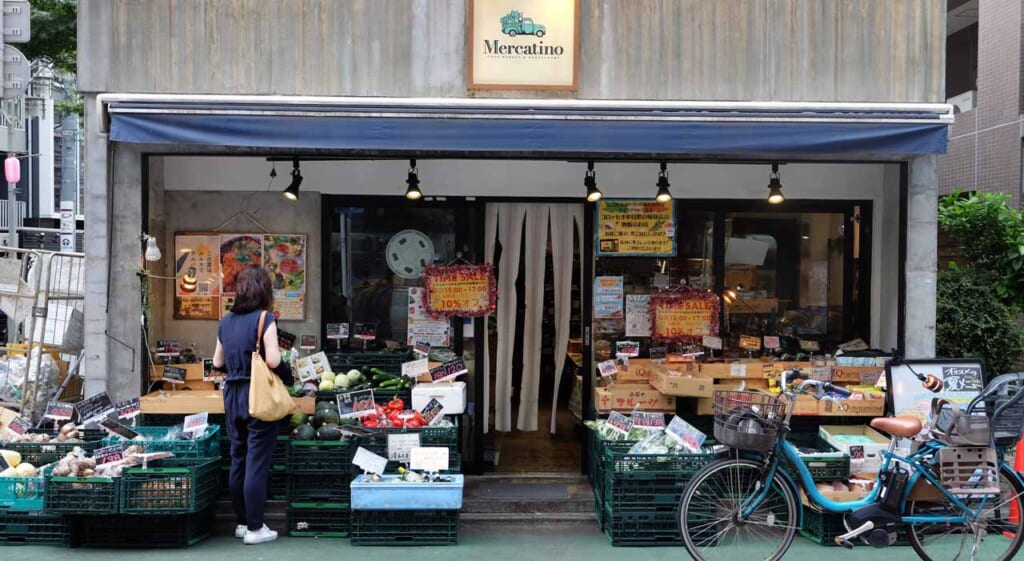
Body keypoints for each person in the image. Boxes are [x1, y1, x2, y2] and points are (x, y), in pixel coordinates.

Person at [212, 266, 294, 545]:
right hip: (257, 394)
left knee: (239, 459)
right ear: (264, 290)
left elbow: (217, 363)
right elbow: (272, 360)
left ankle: (242, 522)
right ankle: (256, 529)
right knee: (256, 463)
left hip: (232, 396)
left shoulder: (225, 321)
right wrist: (288, 375)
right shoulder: (264, 318)